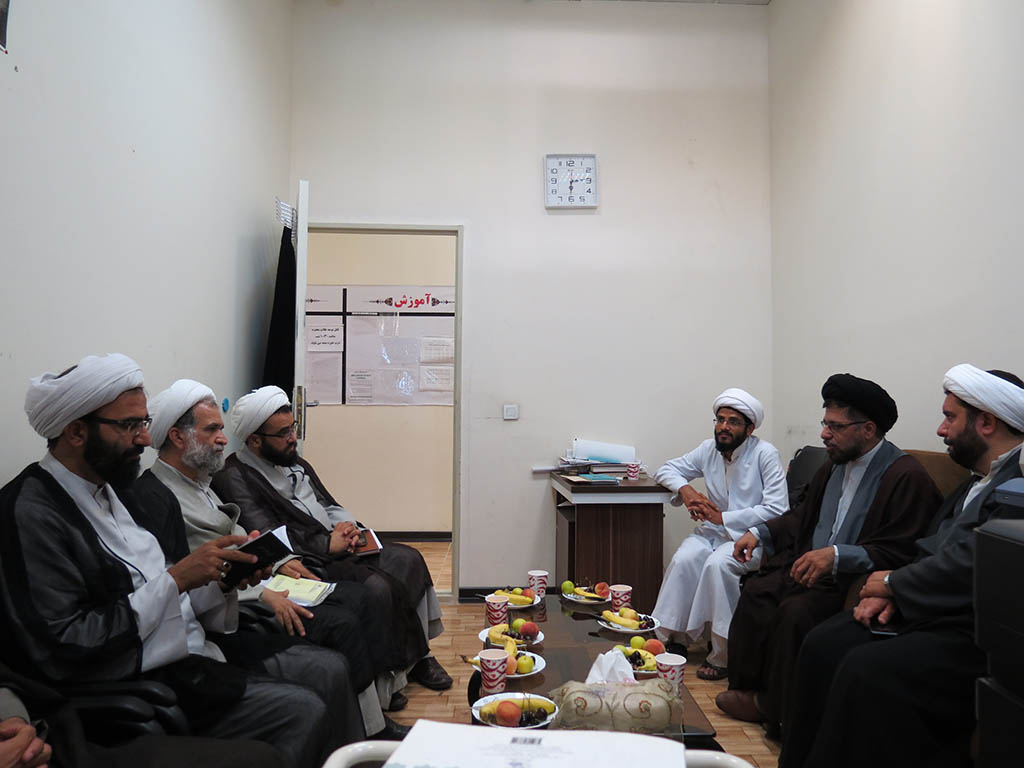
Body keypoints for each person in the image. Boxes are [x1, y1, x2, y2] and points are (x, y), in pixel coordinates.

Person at [0, 353, 360, 768]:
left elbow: (162, 590)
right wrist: (178, 578)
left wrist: (222, 578)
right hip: (135, 685)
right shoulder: (31, 512)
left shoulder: (114, 491)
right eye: (129, 425)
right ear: (76, 432)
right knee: (302, 707)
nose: (143, 439)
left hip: (187, 658)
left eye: (144, 423)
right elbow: (65, 644)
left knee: (319, 683)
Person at [134, 379, 409, 738]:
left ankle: (374, 714)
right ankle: (367, 732)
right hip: (235, 606)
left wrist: (278, 562)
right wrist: (265, 594)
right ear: (177, 437)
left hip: (260, 580)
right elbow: (189, 572)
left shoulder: (199, 482)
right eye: (212, 429)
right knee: (344, 619)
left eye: (221, 429)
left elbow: (242, 538)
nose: (222, 439)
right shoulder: (158, 495)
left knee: (363, 595)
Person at [780, 366, 1024, 768]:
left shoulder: (1017, 483)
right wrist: (896, 594)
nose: (941, 430)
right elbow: (930, 547)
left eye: (950, 417)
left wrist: (894, 584)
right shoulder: (976, 481)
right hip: (926, 606)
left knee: (865, 670)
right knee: (823, 644)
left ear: (986, 422)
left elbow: (972, 562)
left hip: (972, 633)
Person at [715, 373, 941, 736]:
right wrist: (759, 532)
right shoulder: (834, 464)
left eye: (835, 426)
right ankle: (752, 690)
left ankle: (779, 711)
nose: (824, 434)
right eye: (825, 424)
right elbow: (802, 515)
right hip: (809, 569)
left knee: (796, 612)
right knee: (758, 592)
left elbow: (901, 548)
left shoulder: (905, 476)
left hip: (849, 582)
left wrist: (836, 556)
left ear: (868, 429)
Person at [211, 385, 453, 692]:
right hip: (309, 558)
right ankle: (387, 677)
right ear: (255, 440)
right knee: (379, 587)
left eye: (292, 428)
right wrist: (327, 544)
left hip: (334, 542)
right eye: (283, 433)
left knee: (409, 559)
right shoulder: (235, 475)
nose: (292, 438)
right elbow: (269, 532)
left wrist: (348, 527)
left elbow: (327, 503)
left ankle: (420, 657)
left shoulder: (292, 460)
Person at [652, 388, 788, 680]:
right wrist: (686, 491)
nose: (724, 427)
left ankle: (723, 654)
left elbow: (778, 509)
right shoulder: (708, 449)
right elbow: (666, 469)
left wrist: (723, 518)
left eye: (733, 422)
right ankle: (673, 638)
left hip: (751, 538)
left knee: (718, 566)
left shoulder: (765, 454)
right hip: (712, 533)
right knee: (684, 559)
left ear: (749, 429)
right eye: (720, 420)